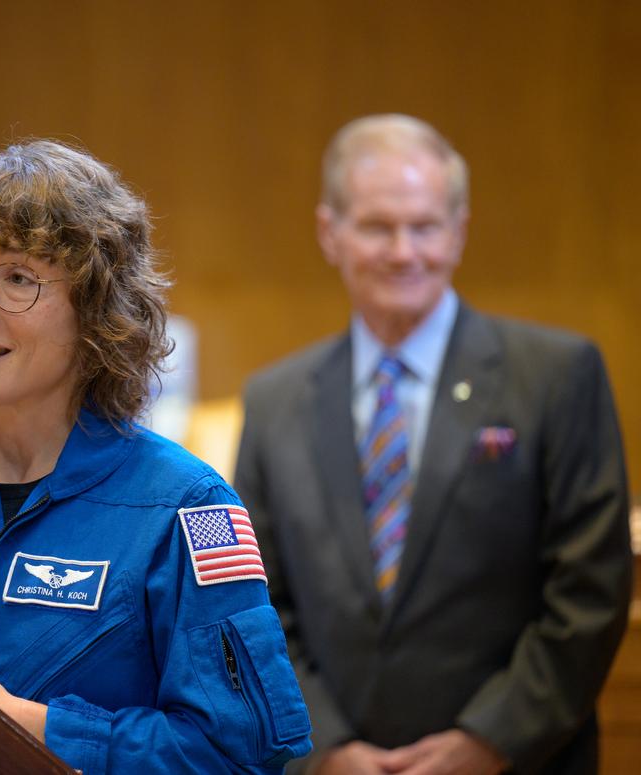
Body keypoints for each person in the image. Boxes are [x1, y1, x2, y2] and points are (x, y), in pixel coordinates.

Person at [0, 139, 313, 774]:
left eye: (16, 278)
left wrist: (29, 727)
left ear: (98, 313)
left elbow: (238, 757)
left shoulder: (185, 508)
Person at [234, 114, 632, 774]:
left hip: (519, 761)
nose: (403, 252)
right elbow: (254, 600)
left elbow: (591, 589)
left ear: (460, 231)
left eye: (424, 226)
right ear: (329, 233)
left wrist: (489, 741)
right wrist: (324, 749)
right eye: (376, 226)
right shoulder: (274, 400)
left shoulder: (557, 377)